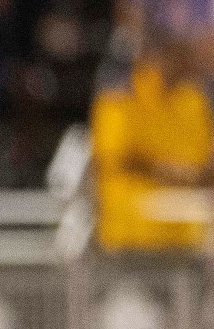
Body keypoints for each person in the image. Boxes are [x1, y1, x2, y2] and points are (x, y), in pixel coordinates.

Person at [88, 31, 212, 254]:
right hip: (130, 208)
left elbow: (203, 161)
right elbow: (115, 158)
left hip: (188, 207)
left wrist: (192, 175)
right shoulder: (120, 97)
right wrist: (166, 171)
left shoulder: (192, 101)